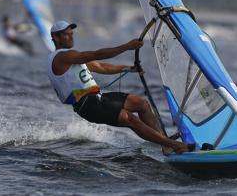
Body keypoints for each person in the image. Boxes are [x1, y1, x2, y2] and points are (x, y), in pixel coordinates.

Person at [47, 20, 191, 154]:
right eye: (66, 35)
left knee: (141, 104)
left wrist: (128, 68)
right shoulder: (62, 57)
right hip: (87, 105)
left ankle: (165, 143)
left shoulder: (72, 58)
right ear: (56, 38)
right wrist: (126, 47)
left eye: (71, 34)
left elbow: (101, 67)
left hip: (97, 99)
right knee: (130, 120)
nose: (71, 37)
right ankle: (173, 145)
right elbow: (98, 54)